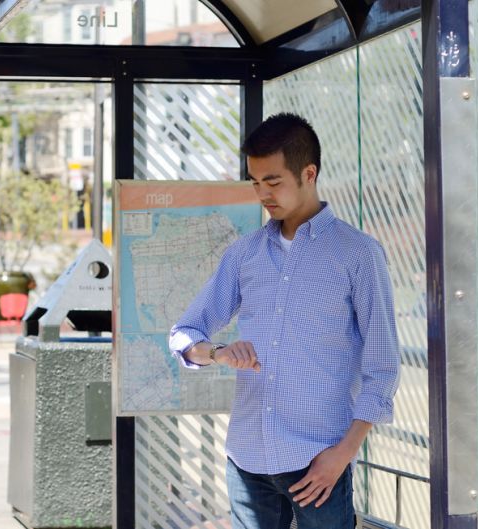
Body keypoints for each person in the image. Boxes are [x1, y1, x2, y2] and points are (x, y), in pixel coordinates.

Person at [169, 113, 400, 529]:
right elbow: (184, 333)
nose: (262, 194)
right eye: (255, 182)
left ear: (308, 173)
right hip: (247, 461)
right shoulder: (244, 255)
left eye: (272, 182)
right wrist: (217, 353)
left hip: (318, 464)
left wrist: (344, 454)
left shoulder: (358, 254)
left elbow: (382, 368)